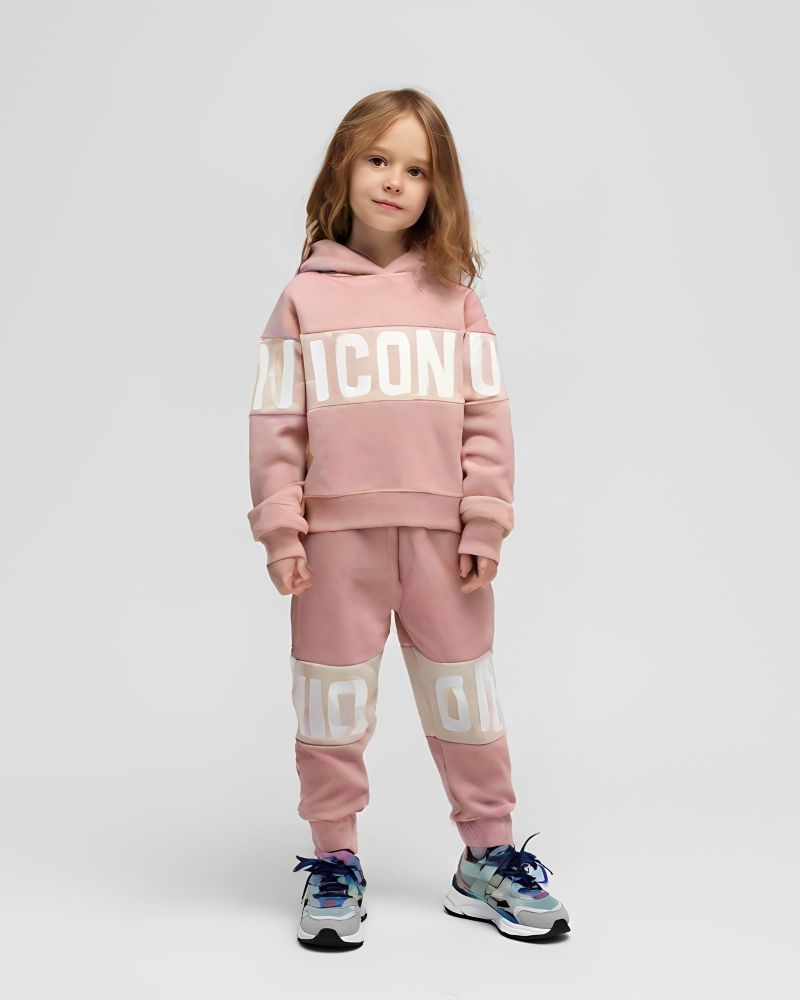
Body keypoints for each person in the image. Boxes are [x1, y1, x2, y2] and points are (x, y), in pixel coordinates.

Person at [246, 88, 571, 950]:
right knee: (330, 707)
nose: (394, 181)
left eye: (417, 169)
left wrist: (485, 519)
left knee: (467, 701)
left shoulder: (456, 301)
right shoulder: (302, 300)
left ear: (439, 188)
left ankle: (488, 857)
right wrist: (281, 528)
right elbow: (275, 424)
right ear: (344, 169)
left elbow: (487, 417)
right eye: (378, 160)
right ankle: (333, 860)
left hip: (442, 545)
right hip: (333, 547)